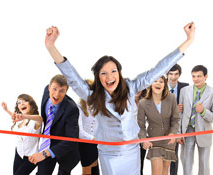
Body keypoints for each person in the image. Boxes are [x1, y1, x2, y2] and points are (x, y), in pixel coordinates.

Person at [45, 22, 195, 175]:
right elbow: (72, 77)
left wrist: (188, 41)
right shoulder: (93, 95)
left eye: (113, 71)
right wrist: (51, 46)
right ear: (98, 77)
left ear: (119, 72)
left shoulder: (131, 87)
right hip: (109, 153)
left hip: (131, 151)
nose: (109, 77)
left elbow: (158, 70)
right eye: (103, 73)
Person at [28, 75, 80, 175]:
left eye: (62, 91)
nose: (57, 94)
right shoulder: (46, 92)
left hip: (65, 151)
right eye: (54, 89)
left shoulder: (71, 109)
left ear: (66, 92)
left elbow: (72, 140)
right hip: (47, 143)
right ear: (49, 88)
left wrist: (44, 154)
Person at [177, 65, 213, 175]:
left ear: (206, 76)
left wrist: (203, 112)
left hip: (204, 132)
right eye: (193, 76)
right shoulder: (184, 91)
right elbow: (180, 114)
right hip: (188, 131)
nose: (196, 79)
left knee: (204, 164)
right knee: (186, 163)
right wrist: (179, 133)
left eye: (199, 76)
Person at [138, 76, 180, 175]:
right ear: (150, 84)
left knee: (165, 171)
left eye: (161, 82)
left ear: (164, 85)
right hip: (154, 141)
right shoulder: (143, 103)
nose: (158, 83)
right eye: (155, 81)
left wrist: (173, 133)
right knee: (157, 172)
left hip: (169, 140)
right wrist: (144, 139)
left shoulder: (171, 98)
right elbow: (141, 125)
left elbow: (175, 119)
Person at [1, 94, 42, 175]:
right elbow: (14, 116)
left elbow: (40, 118)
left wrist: (25, 116)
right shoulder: (20, 120)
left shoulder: (35, 121)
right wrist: (6, 110)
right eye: (19, 103)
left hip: (30, 158)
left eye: (25, 101)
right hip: (19, 154)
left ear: (31, 104)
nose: (22, 104)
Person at [167, 64, 189, 175]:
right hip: (162, 126)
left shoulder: (186, 87)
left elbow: (194, 102)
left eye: (176, 74)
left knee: (173, 156)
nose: (173, 77)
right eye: (171, 74)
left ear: (179, 75)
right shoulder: (159, 86)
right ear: (166, 74)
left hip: (178, 127)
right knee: (161, 157)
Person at [78, 79, 100, 175]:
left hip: (97, 143)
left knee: (95, 168)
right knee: (87, 170)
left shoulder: (98, 106)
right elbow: (79, 131)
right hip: (85, 143)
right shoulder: (78, 107)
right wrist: (93, 138)